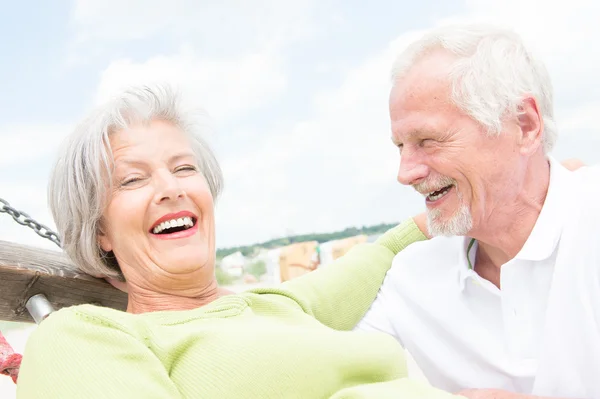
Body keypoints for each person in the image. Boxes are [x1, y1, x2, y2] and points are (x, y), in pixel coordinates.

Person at [16, 85, 464, 399]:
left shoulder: (280, 305)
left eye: (185, 168)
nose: (171, 187)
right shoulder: (80, 338)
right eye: (133, 179)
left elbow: (382, 251)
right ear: (100, 231)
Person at [356, 24, 600, 399]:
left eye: (428, 141)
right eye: (400, 145)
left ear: (525, 125)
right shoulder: (410, 279)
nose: (405, 173)